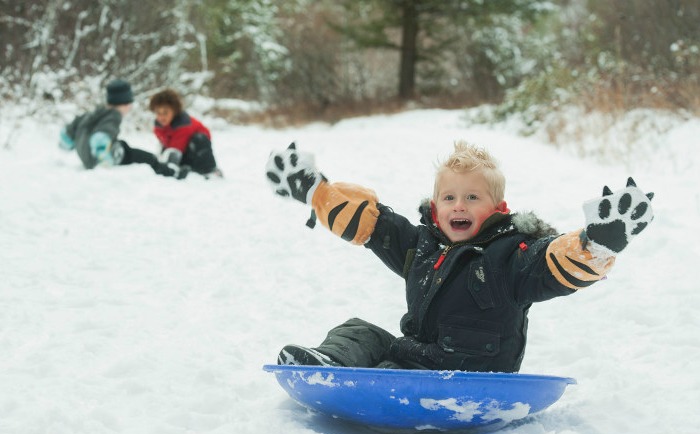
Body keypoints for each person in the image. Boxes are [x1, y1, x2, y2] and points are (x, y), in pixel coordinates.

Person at [264, 140, 654, 372]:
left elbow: (550, 265)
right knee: (360, 331)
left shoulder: (512, 253)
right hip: (422, 359)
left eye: (472, 197)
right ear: (435, 207)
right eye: (449, 198)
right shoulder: (423, 247)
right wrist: (319, 193)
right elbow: (374, 226)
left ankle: (378, 377)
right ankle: (327, 367)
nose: (458, 206)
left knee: (386, 363)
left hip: (477, 371)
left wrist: (596, 245)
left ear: (497, 207)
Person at [59, 79, 166, 175]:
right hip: (102, 157)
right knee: (148, 158)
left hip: (87, 158)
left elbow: (67, 135)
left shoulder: (93, 114)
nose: (130, 107)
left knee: (122, 144)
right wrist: (103, 161)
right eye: (129, 103)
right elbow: (100, 137)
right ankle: (170, 171)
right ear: (124, 103)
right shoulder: (114, 115)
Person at [148, 89, 223, 179]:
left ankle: (210, 170)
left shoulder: (183, 125)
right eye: (158, 113)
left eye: (165, 113)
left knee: (199, 139)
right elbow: (165, 145)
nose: (161, 117)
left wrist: (170, 168)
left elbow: (176, 148)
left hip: (196, 153)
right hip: (180, 151)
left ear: (175, 111)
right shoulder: (159, 126)